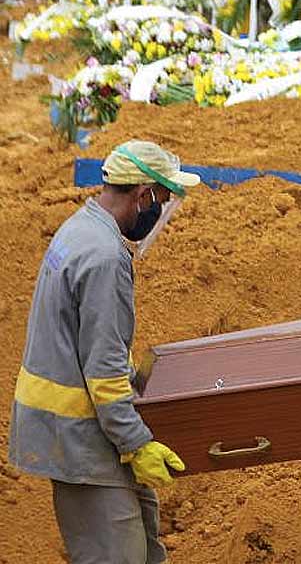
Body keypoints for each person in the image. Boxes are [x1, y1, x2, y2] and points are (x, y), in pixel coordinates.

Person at [8, 140, 200, 563]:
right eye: (162, 200)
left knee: (146, 550)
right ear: (143, 194)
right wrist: (136, 443)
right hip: (82, 438)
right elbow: (105, 372)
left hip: (77, 432)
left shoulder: (80, 228)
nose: (160, 213)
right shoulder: (105, 257)